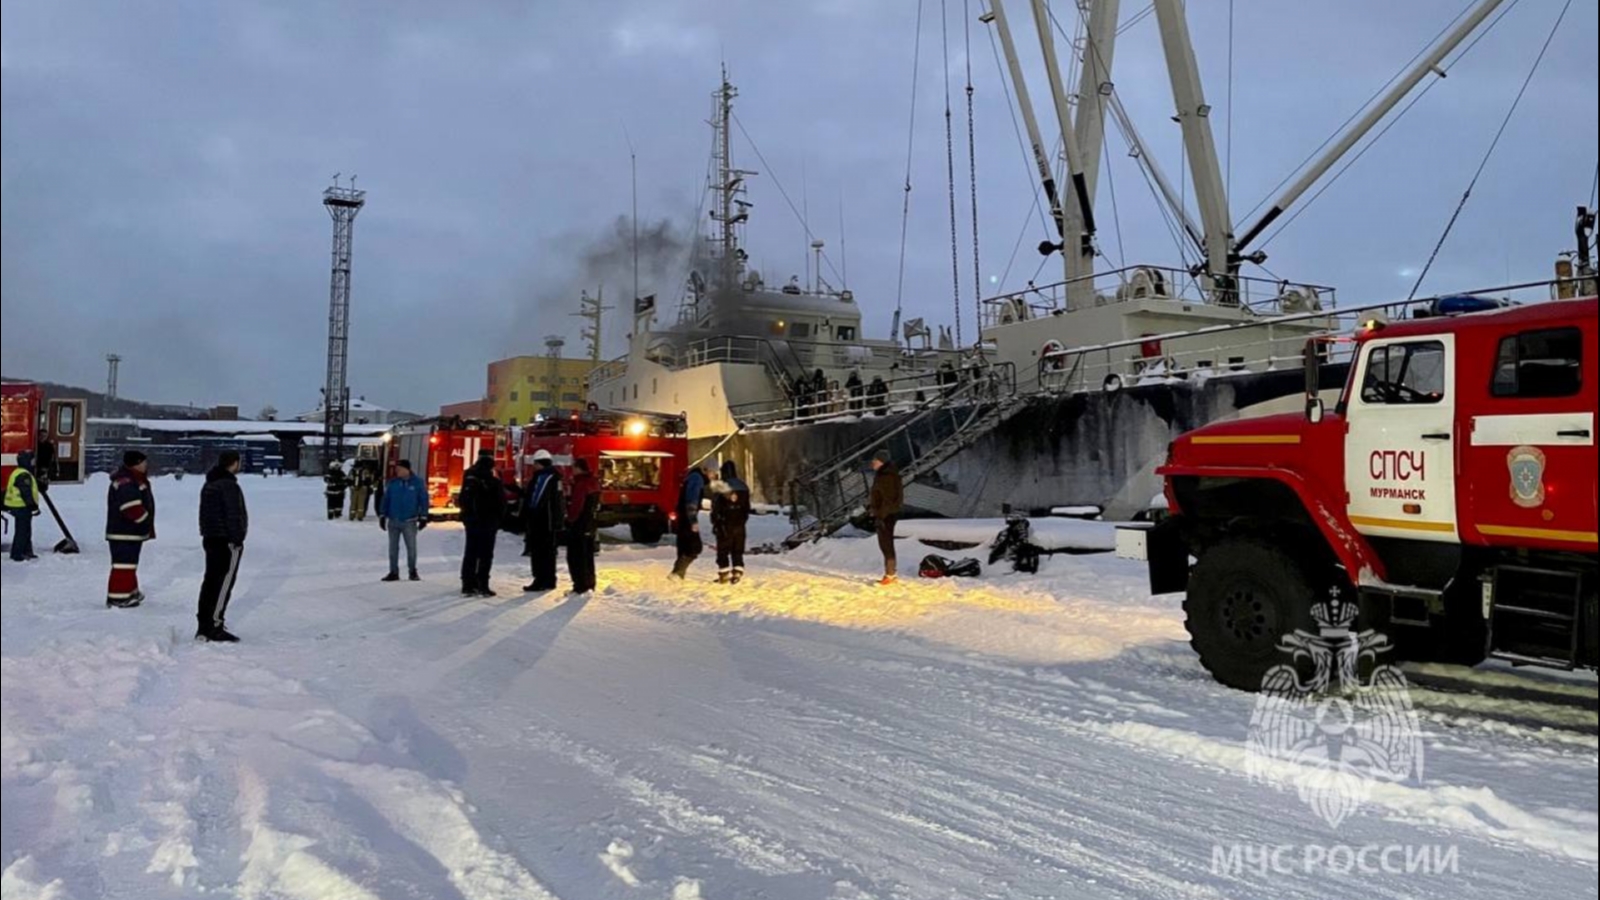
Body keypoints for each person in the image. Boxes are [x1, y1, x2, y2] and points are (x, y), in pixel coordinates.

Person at [195, 449, 248, 642]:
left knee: (210, 582)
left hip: (210, 538)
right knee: (223, 583)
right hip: (226, 541)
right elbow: (234, 515)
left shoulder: (210, 483)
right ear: (234, 463)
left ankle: (204, 625)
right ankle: (214, 625)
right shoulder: (229, 486)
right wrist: (237, 539)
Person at [106, 450, 156, 608]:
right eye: (143, 462)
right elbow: (130, 507)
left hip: (129, 532)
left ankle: (129, 591)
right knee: (123, 565)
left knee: (129, 564)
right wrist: (144, 520)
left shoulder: (133, 479)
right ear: (136, 464)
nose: (146, 465)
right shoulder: (127, 482)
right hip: (125, 532)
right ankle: (118, 597)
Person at [457, 449, 505, 597]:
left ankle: (467, 584)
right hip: (488, 522)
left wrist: (466, 515)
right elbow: (501, 503)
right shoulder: (494, 479)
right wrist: (499, 520)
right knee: (485, 554)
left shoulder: (469, 475)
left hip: (472, 521)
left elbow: (463, 498)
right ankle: (483, 584)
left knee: (470, 552)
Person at [378, 459, 429, 582]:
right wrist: (382, 515)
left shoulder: (417, 483)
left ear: (407, 469)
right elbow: (386, 499)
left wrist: (424, 516)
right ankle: (393, 572)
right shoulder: (393, 483)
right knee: (393, 548)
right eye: (397, 469)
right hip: (393, 520)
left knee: (411, 548)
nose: (397, 471)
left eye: (399, 469)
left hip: (409, 521)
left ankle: (412, 571)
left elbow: (423, 499)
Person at [521, 449, 564, 592]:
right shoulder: (555, 477)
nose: (533, 466)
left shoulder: (543, 478)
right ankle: (549, 580)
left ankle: (539, 580)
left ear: (540, 463)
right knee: (549, 552)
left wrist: (526, 516)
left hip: (541, 522)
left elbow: (535, 501)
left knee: (539, 552)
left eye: (535, 463)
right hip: (550, 522)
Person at [710, 460, 751, 585]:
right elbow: (747, 508)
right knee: (737, 548)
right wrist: (742, 520)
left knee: (723, 549)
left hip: (724, 523)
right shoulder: (743, 486)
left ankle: (724, 574)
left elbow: (716, 507)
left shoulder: (721, 486)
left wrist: (715, 522)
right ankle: (737, 571)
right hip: (739, 524)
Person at [670, 461, 712, 579]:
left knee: (684, 546)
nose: (713, 476)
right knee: (694, 547)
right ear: (706, 471)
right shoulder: (696, 479)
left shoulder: (693, 477)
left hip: (683, 515)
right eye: (713, 473)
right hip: (687, 517)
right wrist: (693, 520)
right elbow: (691, 500)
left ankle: (678, 574)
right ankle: (677, 573)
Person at [565, 457, 601, 595]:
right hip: (590, 524)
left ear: (579, 468)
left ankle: (579, 585)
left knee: (575, 556)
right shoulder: (594, 482)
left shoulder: (581, 484)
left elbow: (577, 506)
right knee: (588, 555)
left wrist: (569, 519)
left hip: (579, 524)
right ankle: (589, 583)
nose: (572, 470)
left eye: (574, 467)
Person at [868, 449, 903, 586]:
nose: (873, 463)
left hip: (886, 515)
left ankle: (890, 574)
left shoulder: (886, 476)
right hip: (886, 514)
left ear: (882, 462)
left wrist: (881, 515)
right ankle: (890, 573)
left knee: (886, 543)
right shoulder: (885, 474)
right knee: (885, 543)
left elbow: (889, 499)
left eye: (875, 460)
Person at [4, 450, 43, 562]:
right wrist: (33, 507)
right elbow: (26, 493)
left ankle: (26, 551)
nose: (33, 463)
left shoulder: (20, 472)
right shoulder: (23, 475)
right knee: (22, 531)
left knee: (25, 529)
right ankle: (17, 554)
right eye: (31, 460)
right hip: (21, 506)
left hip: (19, 506)